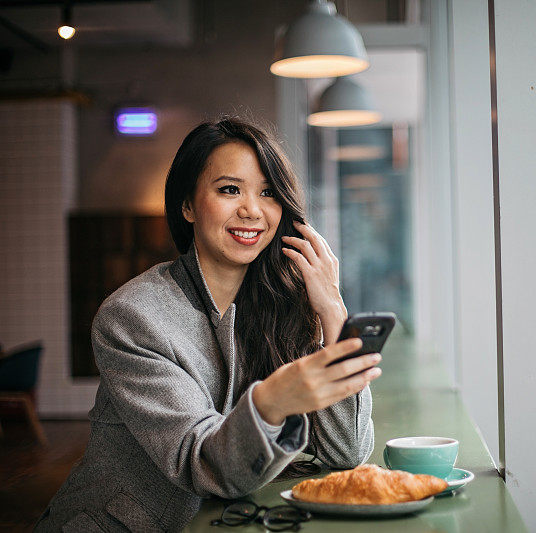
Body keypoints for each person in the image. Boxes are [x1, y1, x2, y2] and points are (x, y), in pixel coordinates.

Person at [35, 118, 381, 532]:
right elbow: (201, 463)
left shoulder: (283, 307)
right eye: (229, 189)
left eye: (268, 192)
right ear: (187, 205)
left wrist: (333, 312)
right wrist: (271, 404)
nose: (252, 210)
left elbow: (347, 451)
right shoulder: (132, 317)